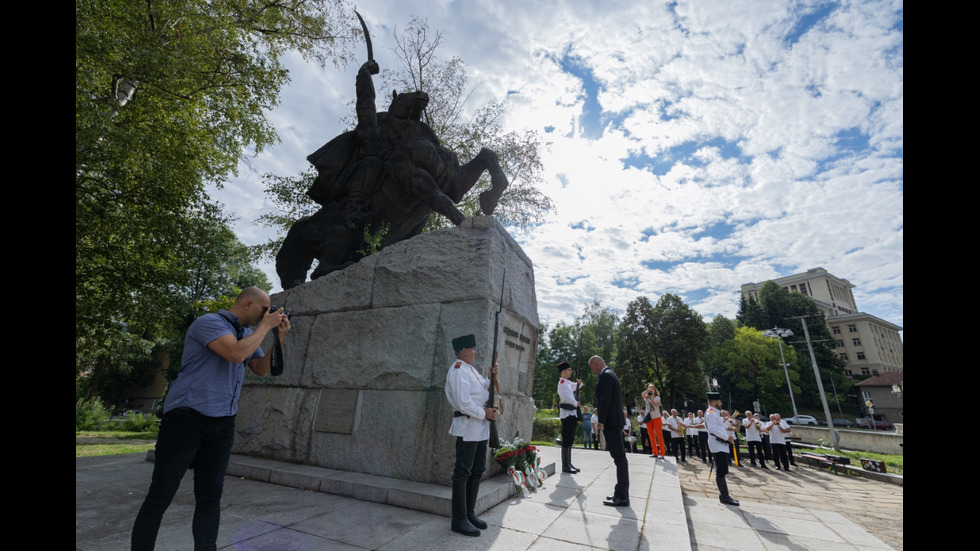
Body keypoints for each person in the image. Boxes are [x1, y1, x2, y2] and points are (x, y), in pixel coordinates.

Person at [131, 287, 292, 551]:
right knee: (160, 496)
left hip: (222, 423)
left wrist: (279, 337)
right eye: (265, 309)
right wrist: (265, 327)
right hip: (186, 419)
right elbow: (235, 354)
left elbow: (262, 370)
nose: (268, 313)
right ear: (248, 303)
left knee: (209, 498)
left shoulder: (247, 334)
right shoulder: (209, 323)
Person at [444, 334, 499, 537]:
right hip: (468, 428)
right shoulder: (458, 370)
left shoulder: (470, 369)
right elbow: (462, 402)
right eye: (473, 349)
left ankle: (469, 512)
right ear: (464, 350)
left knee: (477, 469)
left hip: (480, 428)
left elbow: (481, 391)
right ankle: (458, 519)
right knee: (463, 473)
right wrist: (484, 413)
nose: (476, 352)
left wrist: (490, 377)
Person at [589, 356, 630, 507]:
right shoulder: (610, 374)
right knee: (620, 458)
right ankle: (621, 493)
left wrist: (601, 422)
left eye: (592, 368)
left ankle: (622, 496)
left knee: (619, 458)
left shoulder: (606, 376)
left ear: (598, 364)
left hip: (611, 423)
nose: (592, 371)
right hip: (614, 421)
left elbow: (604, 400)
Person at [705, 391, 740, 506]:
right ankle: (724, 496)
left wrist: (731, 429)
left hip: (721, 444)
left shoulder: (715, 412)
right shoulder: (710, 412)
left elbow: (720, 425)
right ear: (715, 401)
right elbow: (713, 428)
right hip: (717, 443)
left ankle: (725, 495)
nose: (721, 403)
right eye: (719, 401)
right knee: (721, 470)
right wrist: (727, 437)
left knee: (723, 469)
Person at [556, 361, 582, 473]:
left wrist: (579, 383)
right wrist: (576, 403)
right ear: (564, 371)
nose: (571, 372)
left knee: (570, 438)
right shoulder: (562, 383)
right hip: (567, 414)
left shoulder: (566, 382)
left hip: (572, 414)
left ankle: (569, 463)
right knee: (567, 439)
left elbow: (576, 386)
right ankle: (565, 465)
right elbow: (567, 397)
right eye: (569, 370)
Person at [641, 384, 666, 459]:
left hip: (656, 418)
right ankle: (654, 452)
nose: (651, 390)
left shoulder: (657, 397)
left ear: (655, 391)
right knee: (651, 436)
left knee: (659, 436)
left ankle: (662, 453)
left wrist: (651, 397)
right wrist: (647, 391)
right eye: (650, 389)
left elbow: (655, 403)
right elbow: (642, 394)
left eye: (652, 389)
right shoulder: (646, 398)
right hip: (649, 418)